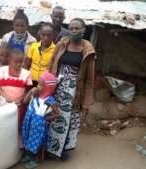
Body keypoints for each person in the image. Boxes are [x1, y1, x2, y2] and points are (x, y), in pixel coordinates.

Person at [46, 18, 96, 159]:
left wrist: (86, 102)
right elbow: (51, 64)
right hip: (57, 87)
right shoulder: (62, 44)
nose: (74, 31)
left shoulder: (88, 50)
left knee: (70, 120)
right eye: (71, 28)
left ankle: (64, 151)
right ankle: (51, 148)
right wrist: (46, 85)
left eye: (77, 28)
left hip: (75, 90)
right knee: (54, 116)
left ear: (83, 30)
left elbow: (89, 79)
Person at [21, 71, 59, 169]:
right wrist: (30, 91)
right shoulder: (35, 94)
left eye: (41, 85)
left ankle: (34, 159)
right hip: (28, 120)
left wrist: (46, 119)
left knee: (35, 141)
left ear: (48, 88)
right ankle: (28, 155)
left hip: (38, 124)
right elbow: (25, 101)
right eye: (38, 84)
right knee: (26, 136)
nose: (38, 86)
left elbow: (57, 113)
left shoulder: (50, 100)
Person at [24, 22, 55, 87]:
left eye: (49, 35)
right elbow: (27, 64)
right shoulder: (33, 46)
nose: (45, 38)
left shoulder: (55, 50)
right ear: (40, 34)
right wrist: (24, 78)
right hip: (31, 79)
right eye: (43, 35)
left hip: (44, 83)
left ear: (53, 35)